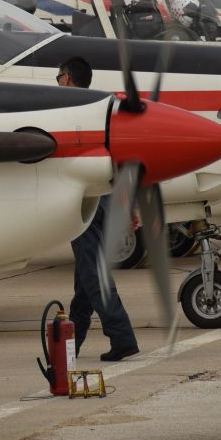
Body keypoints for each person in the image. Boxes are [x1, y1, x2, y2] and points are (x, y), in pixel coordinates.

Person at [55, 56, 140, 362]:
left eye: (58, 77)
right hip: (106, 197)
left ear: (66, 79)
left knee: (92, 275)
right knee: (84, 279)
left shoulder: (63, 111)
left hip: (86, 200)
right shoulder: (100, 109)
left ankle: (122, 336)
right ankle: (70, 347)